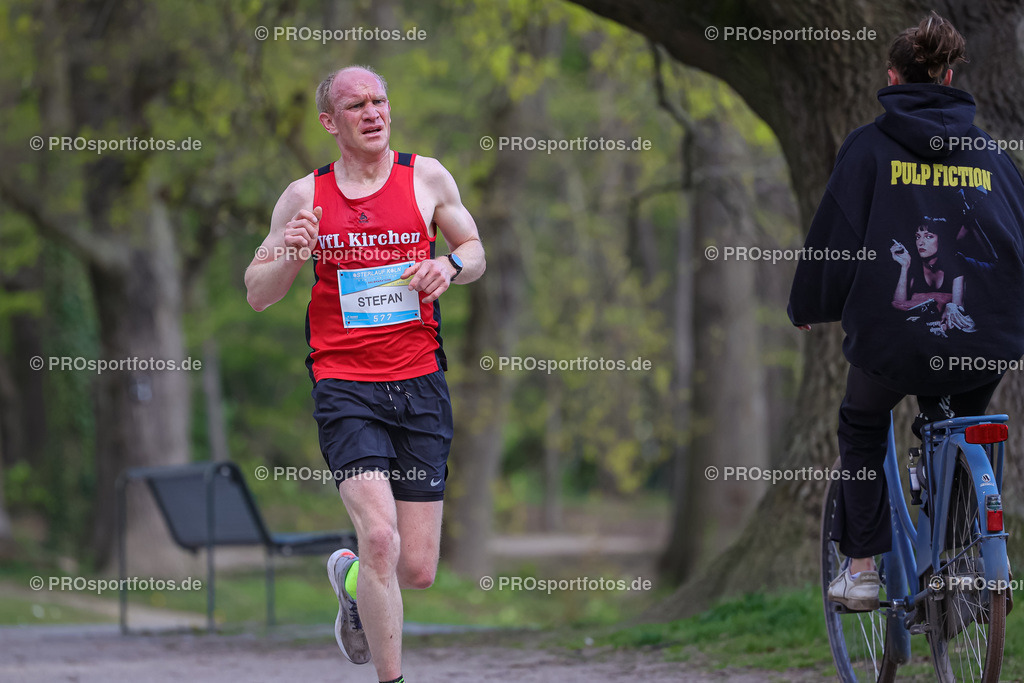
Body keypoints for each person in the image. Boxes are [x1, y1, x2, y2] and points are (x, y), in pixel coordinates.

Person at [245, 65, 485, 683]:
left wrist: (449, 266)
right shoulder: (305, 197)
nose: (373, 112)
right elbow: (256, 292)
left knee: (417, 568)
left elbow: (476, 250)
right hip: (345, 383)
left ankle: (350, 580)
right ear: (330, 122)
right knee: (381, 538)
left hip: (420, 379)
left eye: (380, 100)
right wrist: (294, 254)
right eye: (356, 105)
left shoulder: (426, 176)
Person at [787, 12, 1024, 611]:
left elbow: (837, 234)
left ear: (893, 76)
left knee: (862, 425)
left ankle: (862, 568)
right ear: (949, 75)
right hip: (986, 338)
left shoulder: (868, 148)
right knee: (964, 422)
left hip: (896, 340)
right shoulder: (992, 155)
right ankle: (963, 562)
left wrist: (809, 303)